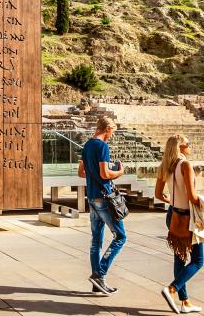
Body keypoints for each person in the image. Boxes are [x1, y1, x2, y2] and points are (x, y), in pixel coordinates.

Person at [154, 134, 204, 314]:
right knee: (198, 261)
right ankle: (172, 289)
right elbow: (192, 196)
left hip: (173, 215)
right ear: (181, 147)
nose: (190, 146)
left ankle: (185, 302)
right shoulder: (185, 165)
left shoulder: (165, 166)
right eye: (188, 144)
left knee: (180, 257)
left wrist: (173, 201)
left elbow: (158, 194)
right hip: (187, 217)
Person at [77, 117, 125, 295]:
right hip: (104, 198)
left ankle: (97, 284)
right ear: (108, 128)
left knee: (96, 240)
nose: (112, 135)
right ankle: (100, 274)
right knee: (120, 237)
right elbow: (105, 174)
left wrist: (95, 173)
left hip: (92, 197)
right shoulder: (102, 146)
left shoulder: (88, 145)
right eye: (112, 131)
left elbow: (81, 172)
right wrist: (119, 172)